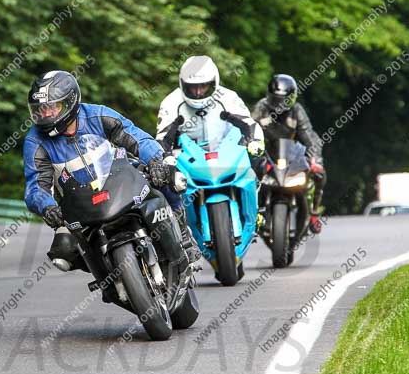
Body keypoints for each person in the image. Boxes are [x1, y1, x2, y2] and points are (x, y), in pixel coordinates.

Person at [23, 70, 202, 272]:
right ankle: (107, 278)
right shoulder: (35, 141)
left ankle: (184, 237)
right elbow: (35, 186)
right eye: (40, 109)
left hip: (119, 178)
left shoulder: (98, 115)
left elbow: (136, 138)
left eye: (51, 108)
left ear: (70, 102)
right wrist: (47, 207)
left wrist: (155, 161)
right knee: (63, 253)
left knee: (170, 178)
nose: (45, 115)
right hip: (75, 203)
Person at [155, 55, 265, 169]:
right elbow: (162, 140)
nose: (198, 92)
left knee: (258, 165)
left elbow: (249, 124)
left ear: (213, 83)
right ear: (183, 83)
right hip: (187, 163)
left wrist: (255, 141)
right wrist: (166, 157)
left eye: (203, 86)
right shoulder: (171, 102)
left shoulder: (228, 97)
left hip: (227, 159)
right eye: (193, 87)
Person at [251, 74, 326, 233]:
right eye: (275, 99)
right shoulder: (261, 108)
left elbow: (309, 136)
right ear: (269, 95)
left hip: (292, 155)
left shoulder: (296, 110)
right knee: (250, 177)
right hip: (267, 155)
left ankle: (313, 212)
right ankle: (255, 213)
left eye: (282, 100)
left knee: (319, 174)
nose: (278, 104)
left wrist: (315, 160)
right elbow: (248, 130)